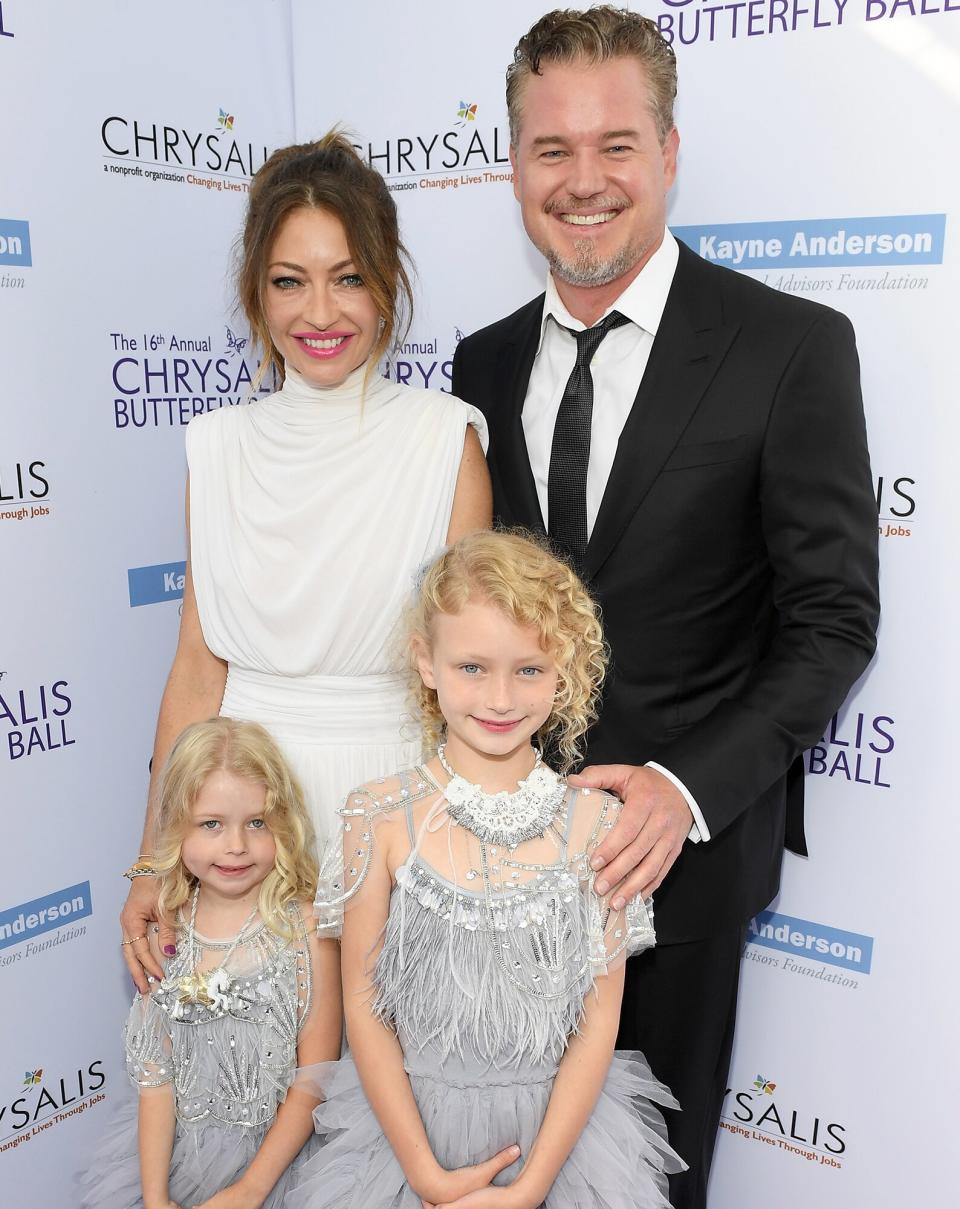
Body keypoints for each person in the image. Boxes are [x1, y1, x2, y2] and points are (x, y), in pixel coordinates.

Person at [450, 9, 880, 1207]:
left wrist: (682, 791)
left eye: (617, 145)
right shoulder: (478, 366)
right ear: (513, 162)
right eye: (551, 150)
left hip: (675, 879)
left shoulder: (790, 348)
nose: (584, 183)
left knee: (651, 1190)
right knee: (494, 1178)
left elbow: (834, 622)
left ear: (670, 150)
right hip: (493, 870)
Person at [120, 132, 492, 991]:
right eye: (290, 280)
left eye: (349, 277)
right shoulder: (215, 448)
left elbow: (468, 682)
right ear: (256, 292)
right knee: (255, 1096)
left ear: (387, 283)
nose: (320, 313)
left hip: (396, 803)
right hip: (244, 817)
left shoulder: (445, 441)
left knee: (384, 1089)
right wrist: (153, 859)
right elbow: (195, 667)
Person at [288, 531, 684, 1209]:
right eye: (472, 667)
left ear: (565, 669)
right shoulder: (376, 817)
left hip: (561, 1150)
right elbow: (364, 1007)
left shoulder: (596, 824)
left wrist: (531, 1186)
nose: (500, 698)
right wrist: (426, 1173)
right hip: (405, 1142)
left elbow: (598, 1022)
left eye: (528, 669)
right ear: (427, 661)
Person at [79, 717, 342, 1209]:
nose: (236, 845)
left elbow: (315, 1075)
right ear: (177, 829)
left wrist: (251, 1189)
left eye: (257, 822)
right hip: (181, 1161)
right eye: (211, 824)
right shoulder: (168, 931)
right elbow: (157, 1079)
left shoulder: (307, 928)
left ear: (284, 823)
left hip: (287, 1166)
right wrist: (157, 1198)